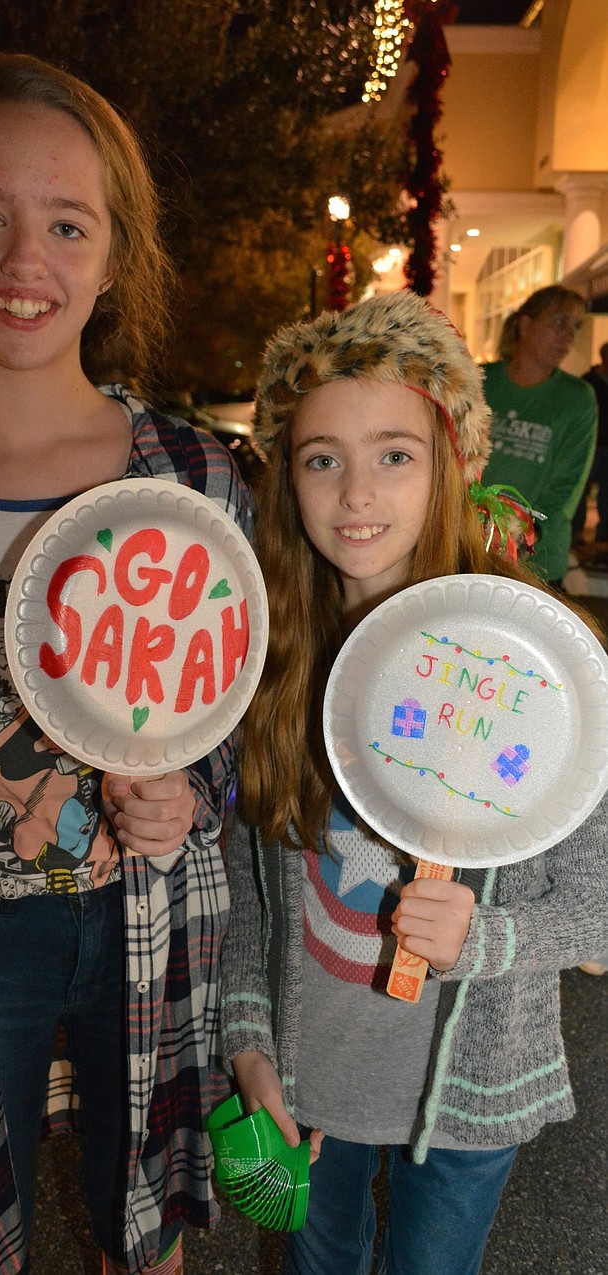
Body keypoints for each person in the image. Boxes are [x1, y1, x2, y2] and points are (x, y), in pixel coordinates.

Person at [0, 52, 252, 1275]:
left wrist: (195, 790)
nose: (26, 261)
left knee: (151, 1210)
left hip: (154, 922)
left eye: (66, 223)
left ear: (113, 254)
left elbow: (236, 717)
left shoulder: (196, 483)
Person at [219, 290, 608, 1275]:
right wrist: (250, 1037)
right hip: (315, 1082)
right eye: (321, 459)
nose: (356, 493)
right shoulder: (273, 661)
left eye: (393, 454)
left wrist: (486, 939)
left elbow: (598, 913)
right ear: (287, 480)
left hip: (472, 1098)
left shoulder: (531, 663)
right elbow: (248, 890)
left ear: (452, 466)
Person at [480, 285, 598, 589]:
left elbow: (567, 486)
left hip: (536, 560)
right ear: (525, 324)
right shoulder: (479, 381)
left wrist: (521, 532)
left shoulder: (577, 398)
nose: (569, 335)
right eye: (559, 322)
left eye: (575, 326)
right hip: (471, 545)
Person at [573, 340, 608, 553]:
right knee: (579, 491)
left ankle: (603, 534)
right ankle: (576, 534)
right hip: (592, 445)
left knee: (606, 493)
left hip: (606, 445)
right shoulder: (588, 383)